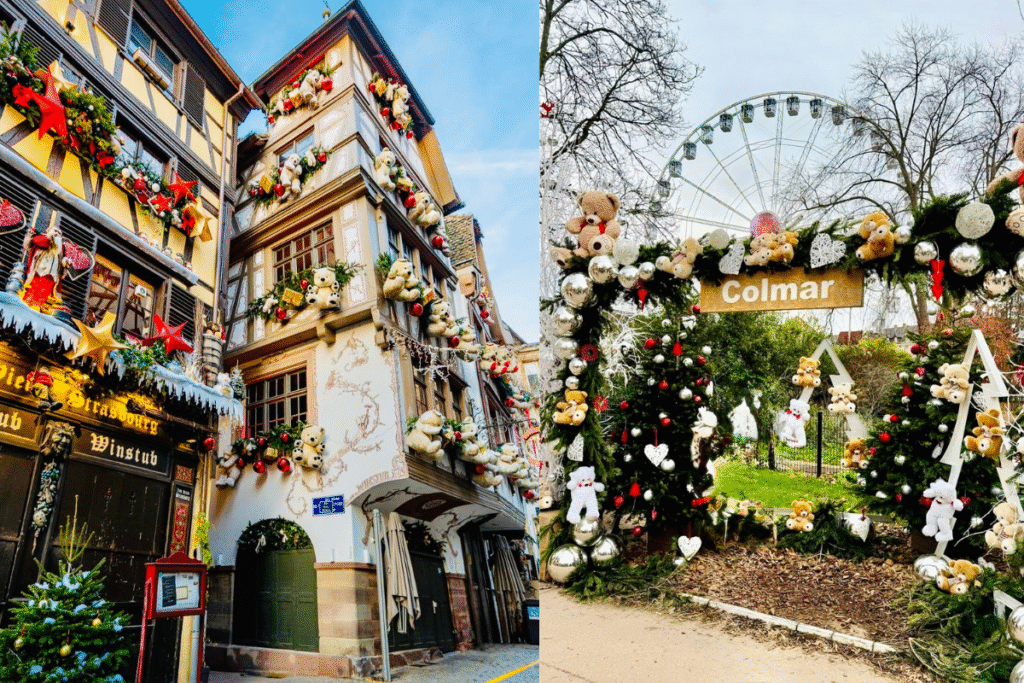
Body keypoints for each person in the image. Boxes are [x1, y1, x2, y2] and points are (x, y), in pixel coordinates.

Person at [19, 222, 66, 314]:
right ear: (48, 231)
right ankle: (27, 309)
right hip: (38, 274)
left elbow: (62, 261)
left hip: (51, 278)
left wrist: (66, 263)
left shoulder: (61, 248)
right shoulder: (41, 238)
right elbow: (42, 242)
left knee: (45, 296)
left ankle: (40, 310)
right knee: (33, 292)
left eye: (59, 233)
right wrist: (50, 237)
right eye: (55, 231)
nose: (57, 233)